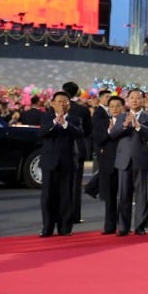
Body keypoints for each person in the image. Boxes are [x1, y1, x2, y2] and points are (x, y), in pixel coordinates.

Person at [39, 91, 84, 237]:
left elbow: (79, 133)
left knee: (66, 197)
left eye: (65, 101)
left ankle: (65, 228)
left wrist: (64, 123)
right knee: (47, 197)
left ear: (69, 105)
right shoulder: (46, 118)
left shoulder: (75, 119)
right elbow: (42, 133)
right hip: (49, 162)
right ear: (52, 103)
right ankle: (47, 227)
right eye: (59, 101)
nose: (62, 104)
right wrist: (55, 122)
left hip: (67, 162)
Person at [112, 89, 148, 236]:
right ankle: (123, 227)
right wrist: (124, 125)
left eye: (138, 98)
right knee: (123, 196)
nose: (135, 100)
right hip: (123, 161)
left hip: (141, 160)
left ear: (143, 100)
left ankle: (140, 227)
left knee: (142, 196)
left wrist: (138, 126)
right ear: (127, 100)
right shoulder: (122, 116)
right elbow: (113, 134)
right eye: (132, 98)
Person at [92, 95, 124, 235]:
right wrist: (109, 132)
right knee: (110, 198)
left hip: (125, 163)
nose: (115, 109)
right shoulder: (103, 123)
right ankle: (109, 226)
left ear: (123, 107)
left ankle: (124, 226)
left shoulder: (127, 121)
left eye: (118, 106)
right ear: (108, 109)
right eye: (112, 106)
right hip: (109, 164)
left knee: (124, 197)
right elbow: (98, 140)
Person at [62, 82, 92, 224]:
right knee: (75, 184)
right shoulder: (83, 110)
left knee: (61, 183)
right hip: (78, 148)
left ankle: (61, 214)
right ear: (76, 93)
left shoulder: (56, 108)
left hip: (60, 149)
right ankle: (74, 215)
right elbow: (87, 131)